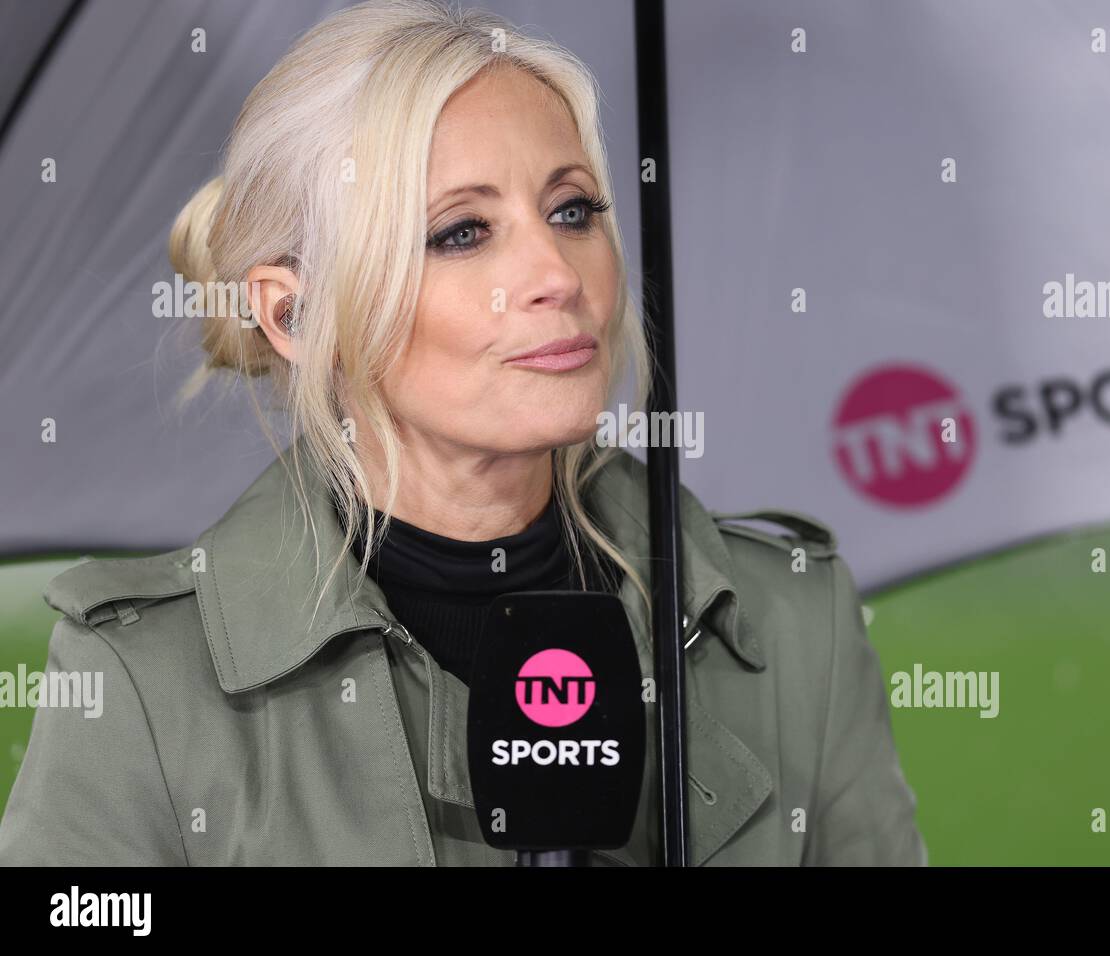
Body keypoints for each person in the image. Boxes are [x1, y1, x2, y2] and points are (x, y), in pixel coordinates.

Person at [0, 0, 924, 866]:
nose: (556, 275)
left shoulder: (796, 626)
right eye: (460, 232)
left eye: (572, 210)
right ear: (293, 315)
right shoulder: (143, 679)